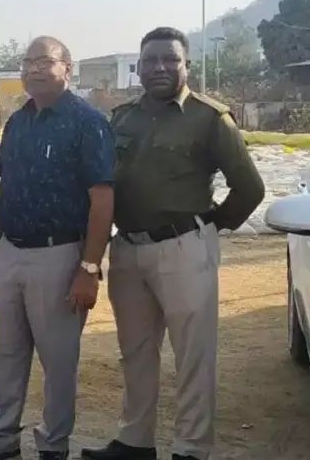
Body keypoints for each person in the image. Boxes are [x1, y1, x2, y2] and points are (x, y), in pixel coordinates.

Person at [82, 27, 265, 460]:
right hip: (128, 250)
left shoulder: (209, 118)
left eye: (170, 60)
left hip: (184, 248)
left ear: (187, 65)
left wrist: (212, 225)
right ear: (139, 68)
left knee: (192, 354)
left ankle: (191, 448)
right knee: (135, 351)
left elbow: (250, 188)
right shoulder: (122, 118)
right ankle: (135, 441)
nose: (160, 68)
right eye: (150, 61)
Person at [0, 37, 115, 460]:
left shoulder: (88, 123)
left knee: (58, 360)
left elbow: (102, 199)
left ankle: (53, 446)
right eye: (28, 62)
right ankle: (2, 442)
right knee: (6, 355)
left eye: (44, 61)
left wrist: (89, 268)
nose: (34, 69)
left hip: (59, 255)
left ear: (67, 68)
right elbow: (6, 191)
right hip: (11, 252)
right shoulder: (18, 123)